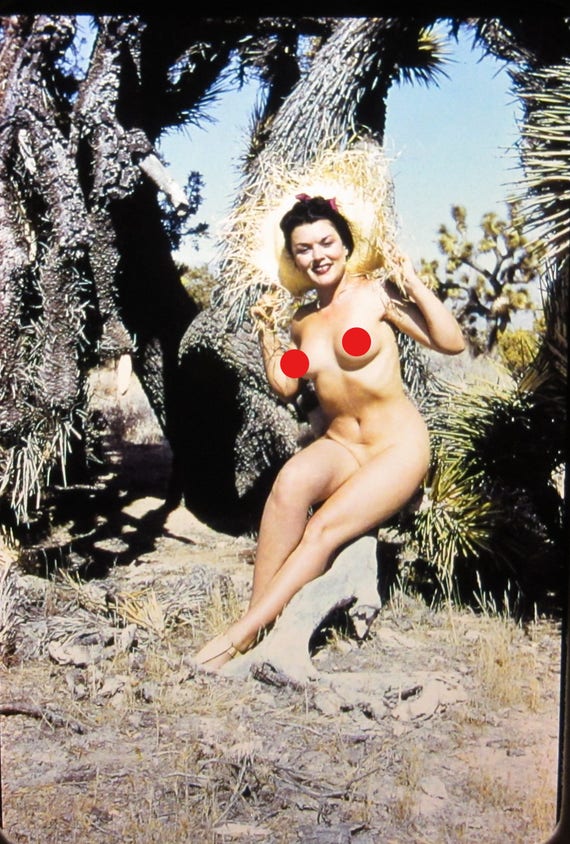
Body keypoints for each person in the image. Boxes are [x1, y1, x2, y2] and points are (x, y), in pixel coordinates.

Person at [194, 194, 465, 669]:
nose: (318, 256)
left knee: (320, 530)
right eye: (304, 249)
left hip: (395, 447)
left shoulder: (376, 295)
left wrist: (413, 281)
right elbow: (286, 383)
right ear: (293, 257)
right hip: (342, 445)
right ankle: (259, 620)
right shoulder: (303, 323)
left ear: (345, 245)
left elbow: (451, 342)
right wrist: (267, 333)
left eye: (326, 243)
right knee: (288, 486)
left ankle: (239, 636)